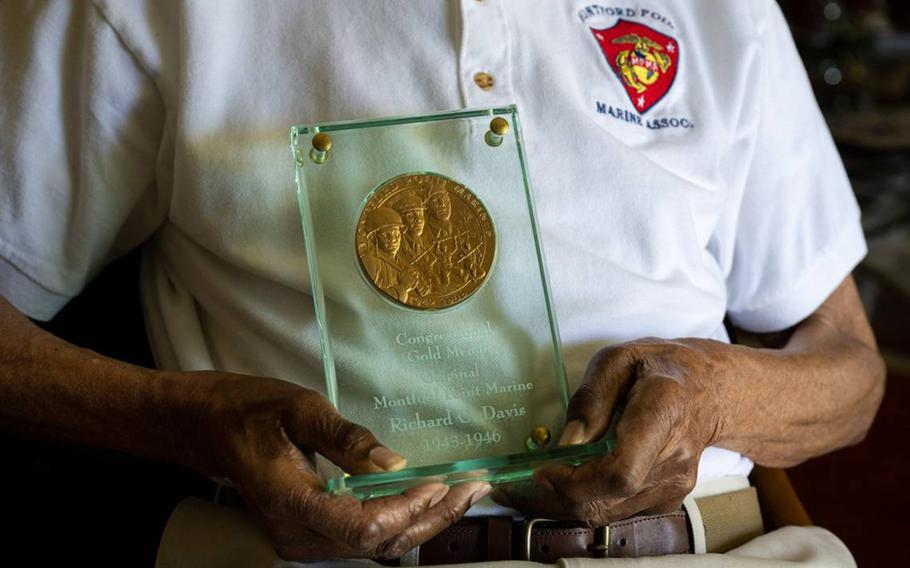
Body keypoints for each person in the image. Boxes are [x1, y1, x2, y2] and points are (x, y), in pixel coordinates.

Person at [0, 1, 885, 566]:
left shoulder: (725, 12)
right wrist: (195, 426)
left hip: (705, 553)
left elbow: (851, 369)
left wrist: (716, 397)